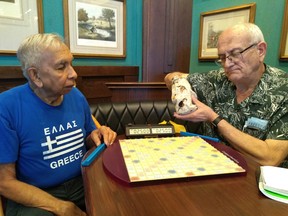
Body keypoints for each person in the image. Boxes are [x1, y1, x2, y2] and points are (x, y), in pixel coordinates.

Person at [0, 33, 117, 216]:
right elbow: (5, 182)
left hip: (83, 181)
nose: (74, 73)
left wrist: (97, 135)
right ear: (35, 75)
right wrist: (60, 206)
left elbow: (89, 137)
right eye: (62, 67)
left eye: (71, 63)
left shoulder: (75, 95)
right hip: (37, 194)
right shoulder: (6, 108)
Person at [165, 23, 288, 168]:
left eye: (235, 54)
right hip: (212, 170)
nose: (227, 64)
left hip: (259, 183)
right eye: (222, 57)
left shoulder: (283, 91)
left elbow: (270, 158)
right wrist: (181, 89)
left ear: (260, 50)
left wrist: (213, 118)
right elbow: (171, 76)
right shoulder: (216, 79)